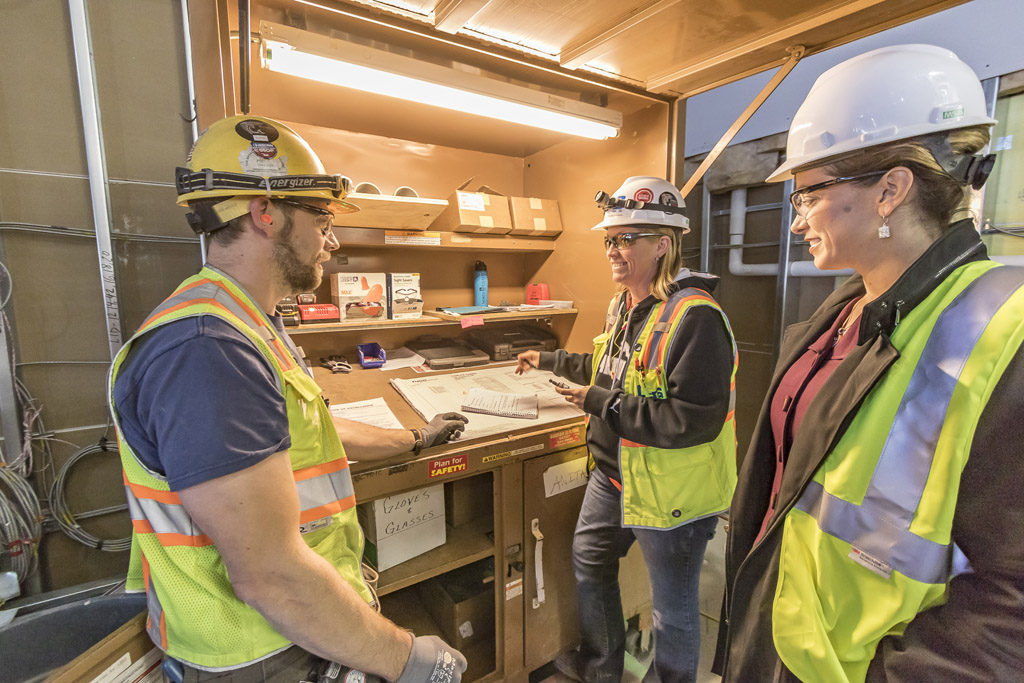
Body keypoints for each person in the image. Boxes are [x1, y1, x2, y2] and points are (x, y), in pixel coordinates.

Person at [107, 115, 469, 681]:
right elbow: (270, 573)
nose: (334, 239)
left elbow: (305, 435)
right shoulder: (207, 349)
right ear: (266, 213)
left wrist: (415, 437)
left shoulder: (249, 322)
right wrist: (406, 659)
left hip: (300, 630)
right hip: (261, 650)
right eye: (322, 217)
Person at [714, 44, 1024, 681]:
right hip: (779, 635)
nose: (797, 218)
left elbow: (1010, 608)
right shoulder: (847, 308)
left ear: (891, 189)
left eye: (809, 194)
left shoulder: (1001, 334)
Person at [516, 176, 738, 683]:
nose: (613, 251)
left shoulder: (696, 319)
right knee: (590, 567)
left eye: (626, 239)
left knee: (672, 610)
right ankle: (602, 670)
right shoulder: (625, 306)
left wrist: (598, 403)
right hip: (612, 477)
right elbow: (611, 369)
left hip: (672, 492)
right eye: (609, 240)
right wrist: (552, 360)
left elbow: (690, 422)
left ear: (663, 244)